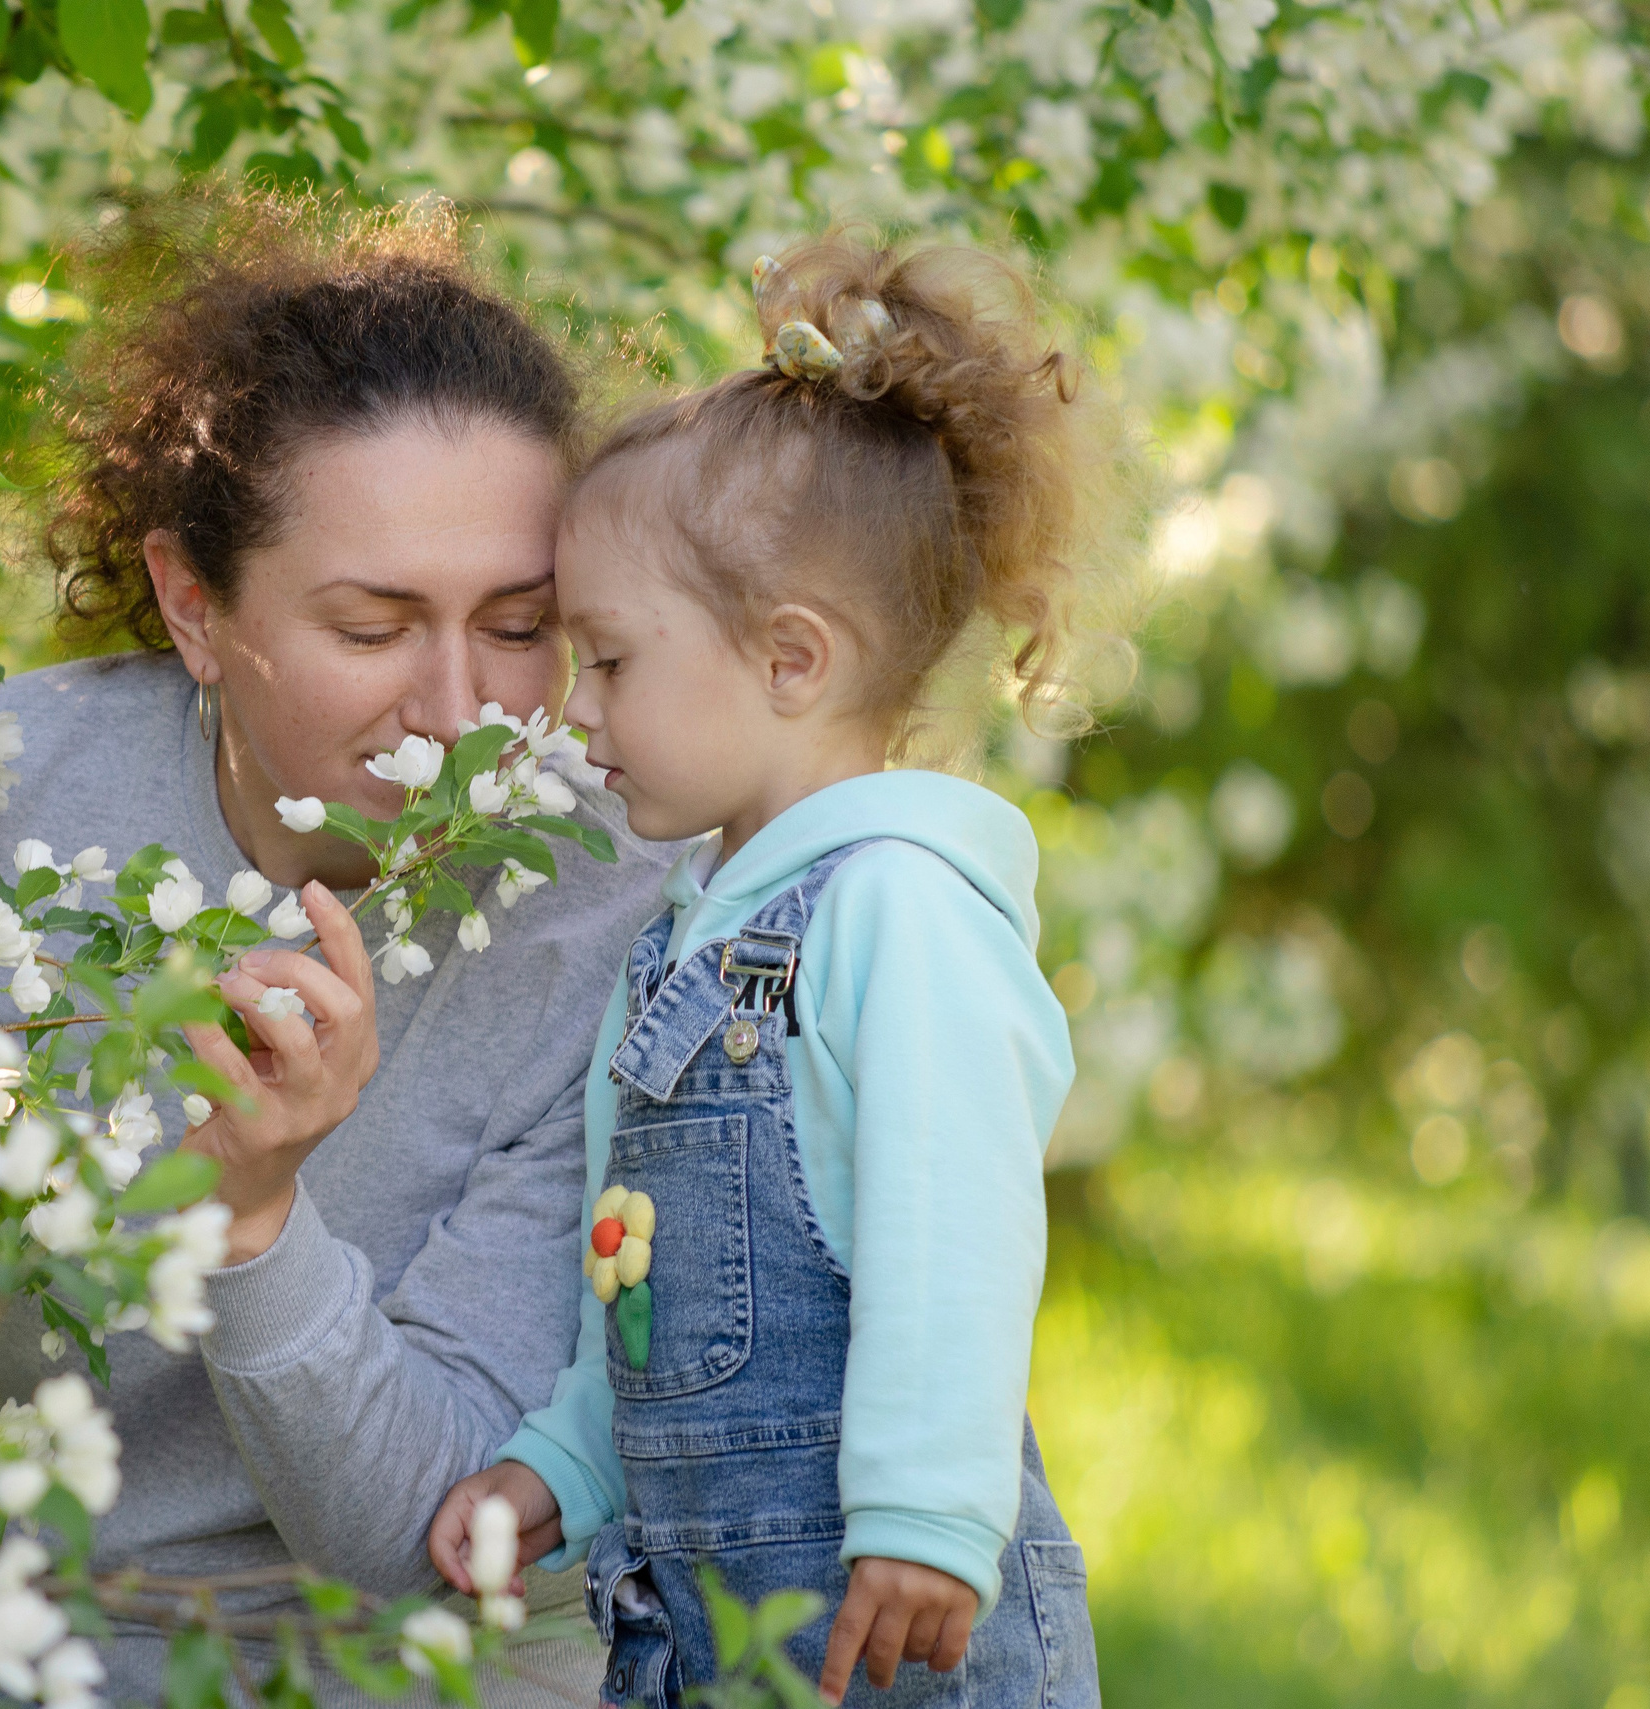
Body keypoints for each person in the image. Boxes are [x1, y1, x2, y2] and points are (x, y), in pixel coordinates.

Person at [0, 194, 673, 1709]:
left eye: (522, 623)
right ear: (194, 606)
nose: (463, 710)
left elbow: (421, 1547)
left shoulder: (620, 897)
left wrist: (254, 1216)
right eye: (374, 627)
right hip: (42, 1640)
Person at [426, 231, 1130, 1708]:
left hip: (891, 1624)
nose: (574, 711)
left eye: (610, 661)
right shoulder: (693, 927)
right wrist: (559, 1462)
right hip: (707, 1630)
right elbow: (653, 1285)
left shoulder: (899, 911)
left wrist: (931, 1513)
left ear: (791, 660)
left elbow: (955, 1226)